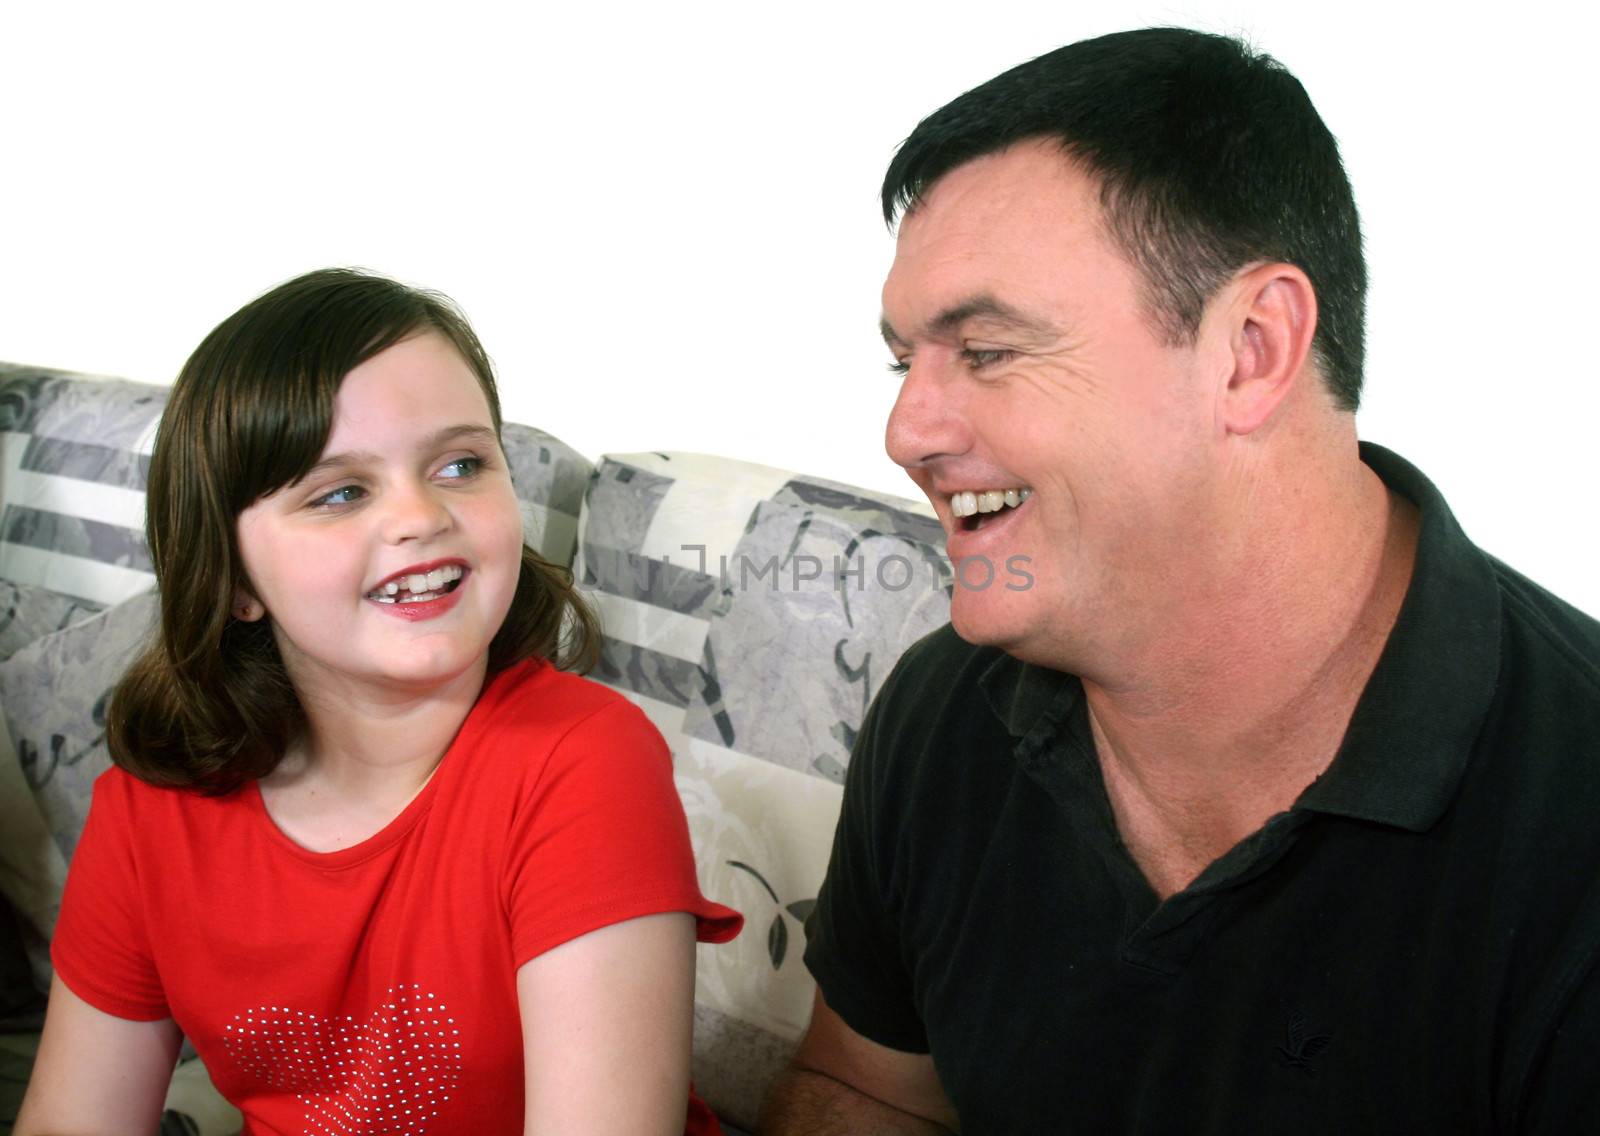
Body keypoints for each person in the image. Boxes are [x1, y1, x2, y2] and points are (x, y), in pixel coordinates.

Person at [760, 27, 1600, 1134]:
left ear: (1251, 348)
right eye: (901, 359)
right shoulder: (942, 711)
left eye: (990, 349)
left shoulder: (1569, 823)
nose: (904, 429)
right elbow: (864, 1083)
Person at [16, 268, 742, 1135]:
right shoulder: (147, 813)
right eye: (342, 492)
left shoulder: (583, 762)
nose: (419, 514)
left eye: (462, 464)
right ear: (235, 579)